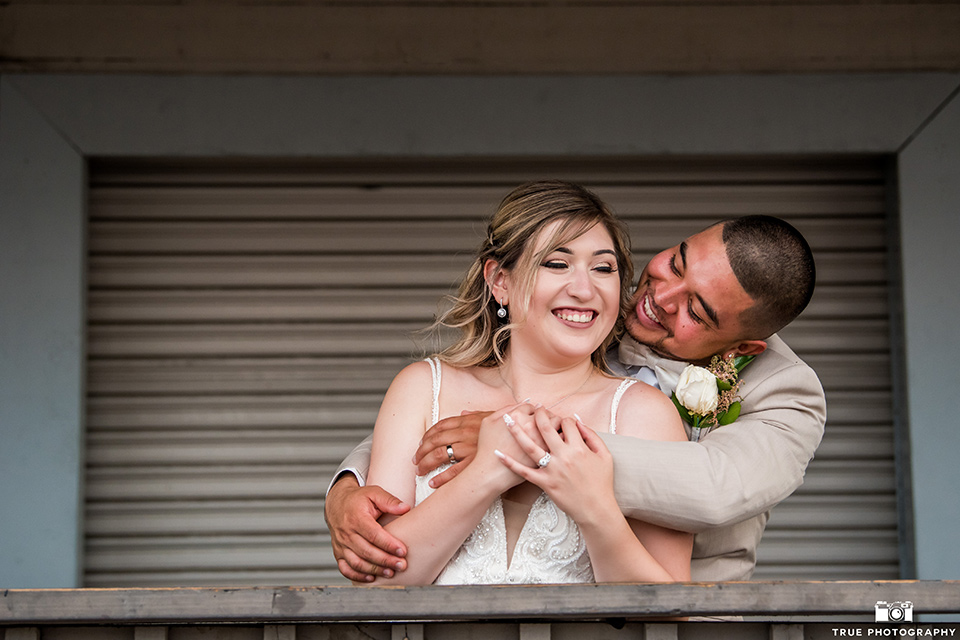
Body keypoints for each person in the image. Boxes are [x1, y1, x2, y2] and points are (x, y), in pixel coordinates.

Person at [326, 212, 825, 584]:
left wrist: (522, 440)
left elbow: (715, 487)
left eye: (695, 309)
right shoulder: (599, 313)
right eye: (675, 263)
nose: (660, 297)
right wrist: (348, 487)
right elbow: (436, 418)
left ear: (741, 346)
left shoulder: (788, 396)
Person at [356, 180, 692, 585]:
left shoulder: (645, 412)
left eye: (603, 268)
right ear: (500, 281)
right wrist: (488, 471)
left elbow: (672, 609)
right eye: (556, 263)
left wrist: (593, 508)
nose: (585, 290)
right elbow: (378, 583)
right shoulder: (422, 388)